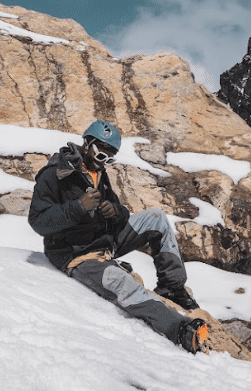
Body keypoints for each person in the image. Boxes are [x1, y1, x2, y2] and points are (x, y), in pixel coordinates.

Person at [28, 120, 209, 354]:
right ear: (86, 142)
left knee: (156, 218)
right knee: (123, 283)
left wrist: (116, 212)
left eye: (109, 157)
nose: (103, 160)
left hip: (105, 240)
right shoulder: (56, 174)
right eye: (100, 153)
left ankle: (172, 288)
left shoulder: (98, 173)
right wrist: (77, 207)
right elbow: (38, 221)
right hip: (77, 254)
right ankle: (180, 329)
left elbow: (118, 209)